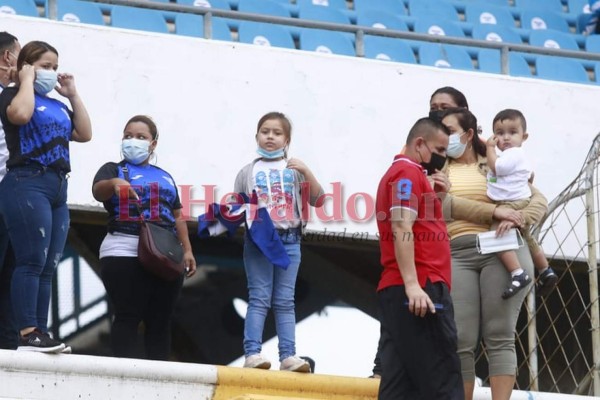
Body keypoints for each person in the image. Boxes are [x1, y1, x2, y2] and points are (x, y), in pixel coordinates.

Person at [440, 106, 548, 400]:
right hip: (457, 252)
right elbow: (442, 205)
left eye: (448, 130)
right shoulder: (437, 169)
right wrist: (494, 210)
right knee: (460, 338)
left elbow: (537, 200)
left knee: (499, 335)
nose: (443, 136)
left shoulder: (496, 160)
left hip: (500, 249)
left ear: (468, 132)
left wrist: (518, 217)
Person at [0, 40, 92, 353]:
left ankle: (40, 329)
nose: (51, 72)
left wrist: (73, 95)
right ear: (27, 67)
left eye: (54, 66)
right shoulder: (13, 95)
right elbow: (21, 116)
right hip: (26, 181)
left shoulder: (57, 104)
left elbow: (84, 132)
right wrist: (24, 79)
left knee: (48, 264)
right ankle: (27, 332)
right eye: (44, 66)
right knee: (29, 259)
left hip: (57, 186)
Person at [92, 115, 196, 361]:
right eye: (128, 136)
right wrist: (115, 183)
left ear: (153, 144)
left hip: (165, 252)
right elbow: (98, 191)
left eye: (141, 137)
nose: (133, 141)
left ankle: (158, 376)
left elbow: (177, 216)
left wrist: (188, 250)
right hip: (124, 248)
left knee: (161, 319)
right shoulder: (114, 169)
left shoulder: (165, 176)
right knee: (128, 314)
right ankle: (124, 374)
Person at [375, 117, 463, 400]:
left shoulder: (406, 175)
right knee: (442, 382)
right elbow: (401, 225)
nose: (443, 157)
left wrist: (431, 195)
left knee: (399, 385)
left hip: (399, 289)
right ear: (419, 144)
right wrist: (414, 285)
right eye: (439, 149)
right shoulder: (407, 174)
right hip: (421, 288)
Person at [234, 111, 324, 373]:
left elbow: (317, 200)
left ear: (287, 140)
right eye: (265, 131)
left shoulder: (294, 171)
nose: (270, 137)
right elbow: (238, 207)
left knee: (285, 301)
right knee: (259, 297)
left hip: (290, 240)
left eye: (277, 133)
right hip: (260, 242)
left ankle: (288, 357)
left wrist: (307, 170)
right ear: (257, 136)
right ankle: (252, 354)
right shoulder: (247, 171)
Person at [486, 109, 557, 299]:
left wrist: (490, 149)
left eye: (512, 132)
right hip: (516, 199)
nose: (506, 137)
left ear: (523, 136)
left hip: (512, 204)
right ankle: (545, 270)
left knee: (497, 234)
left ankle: (518, 273)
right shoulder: (510, 156)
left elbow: (497, 168)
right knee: (527, 236)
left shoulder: (513, 154)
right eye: (500, 133)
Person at [0, 32, 20, 351]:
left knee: (11, 277)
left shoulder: (15, 97)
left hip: (15, 197)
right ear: (7, 58)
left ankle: (6, 345)